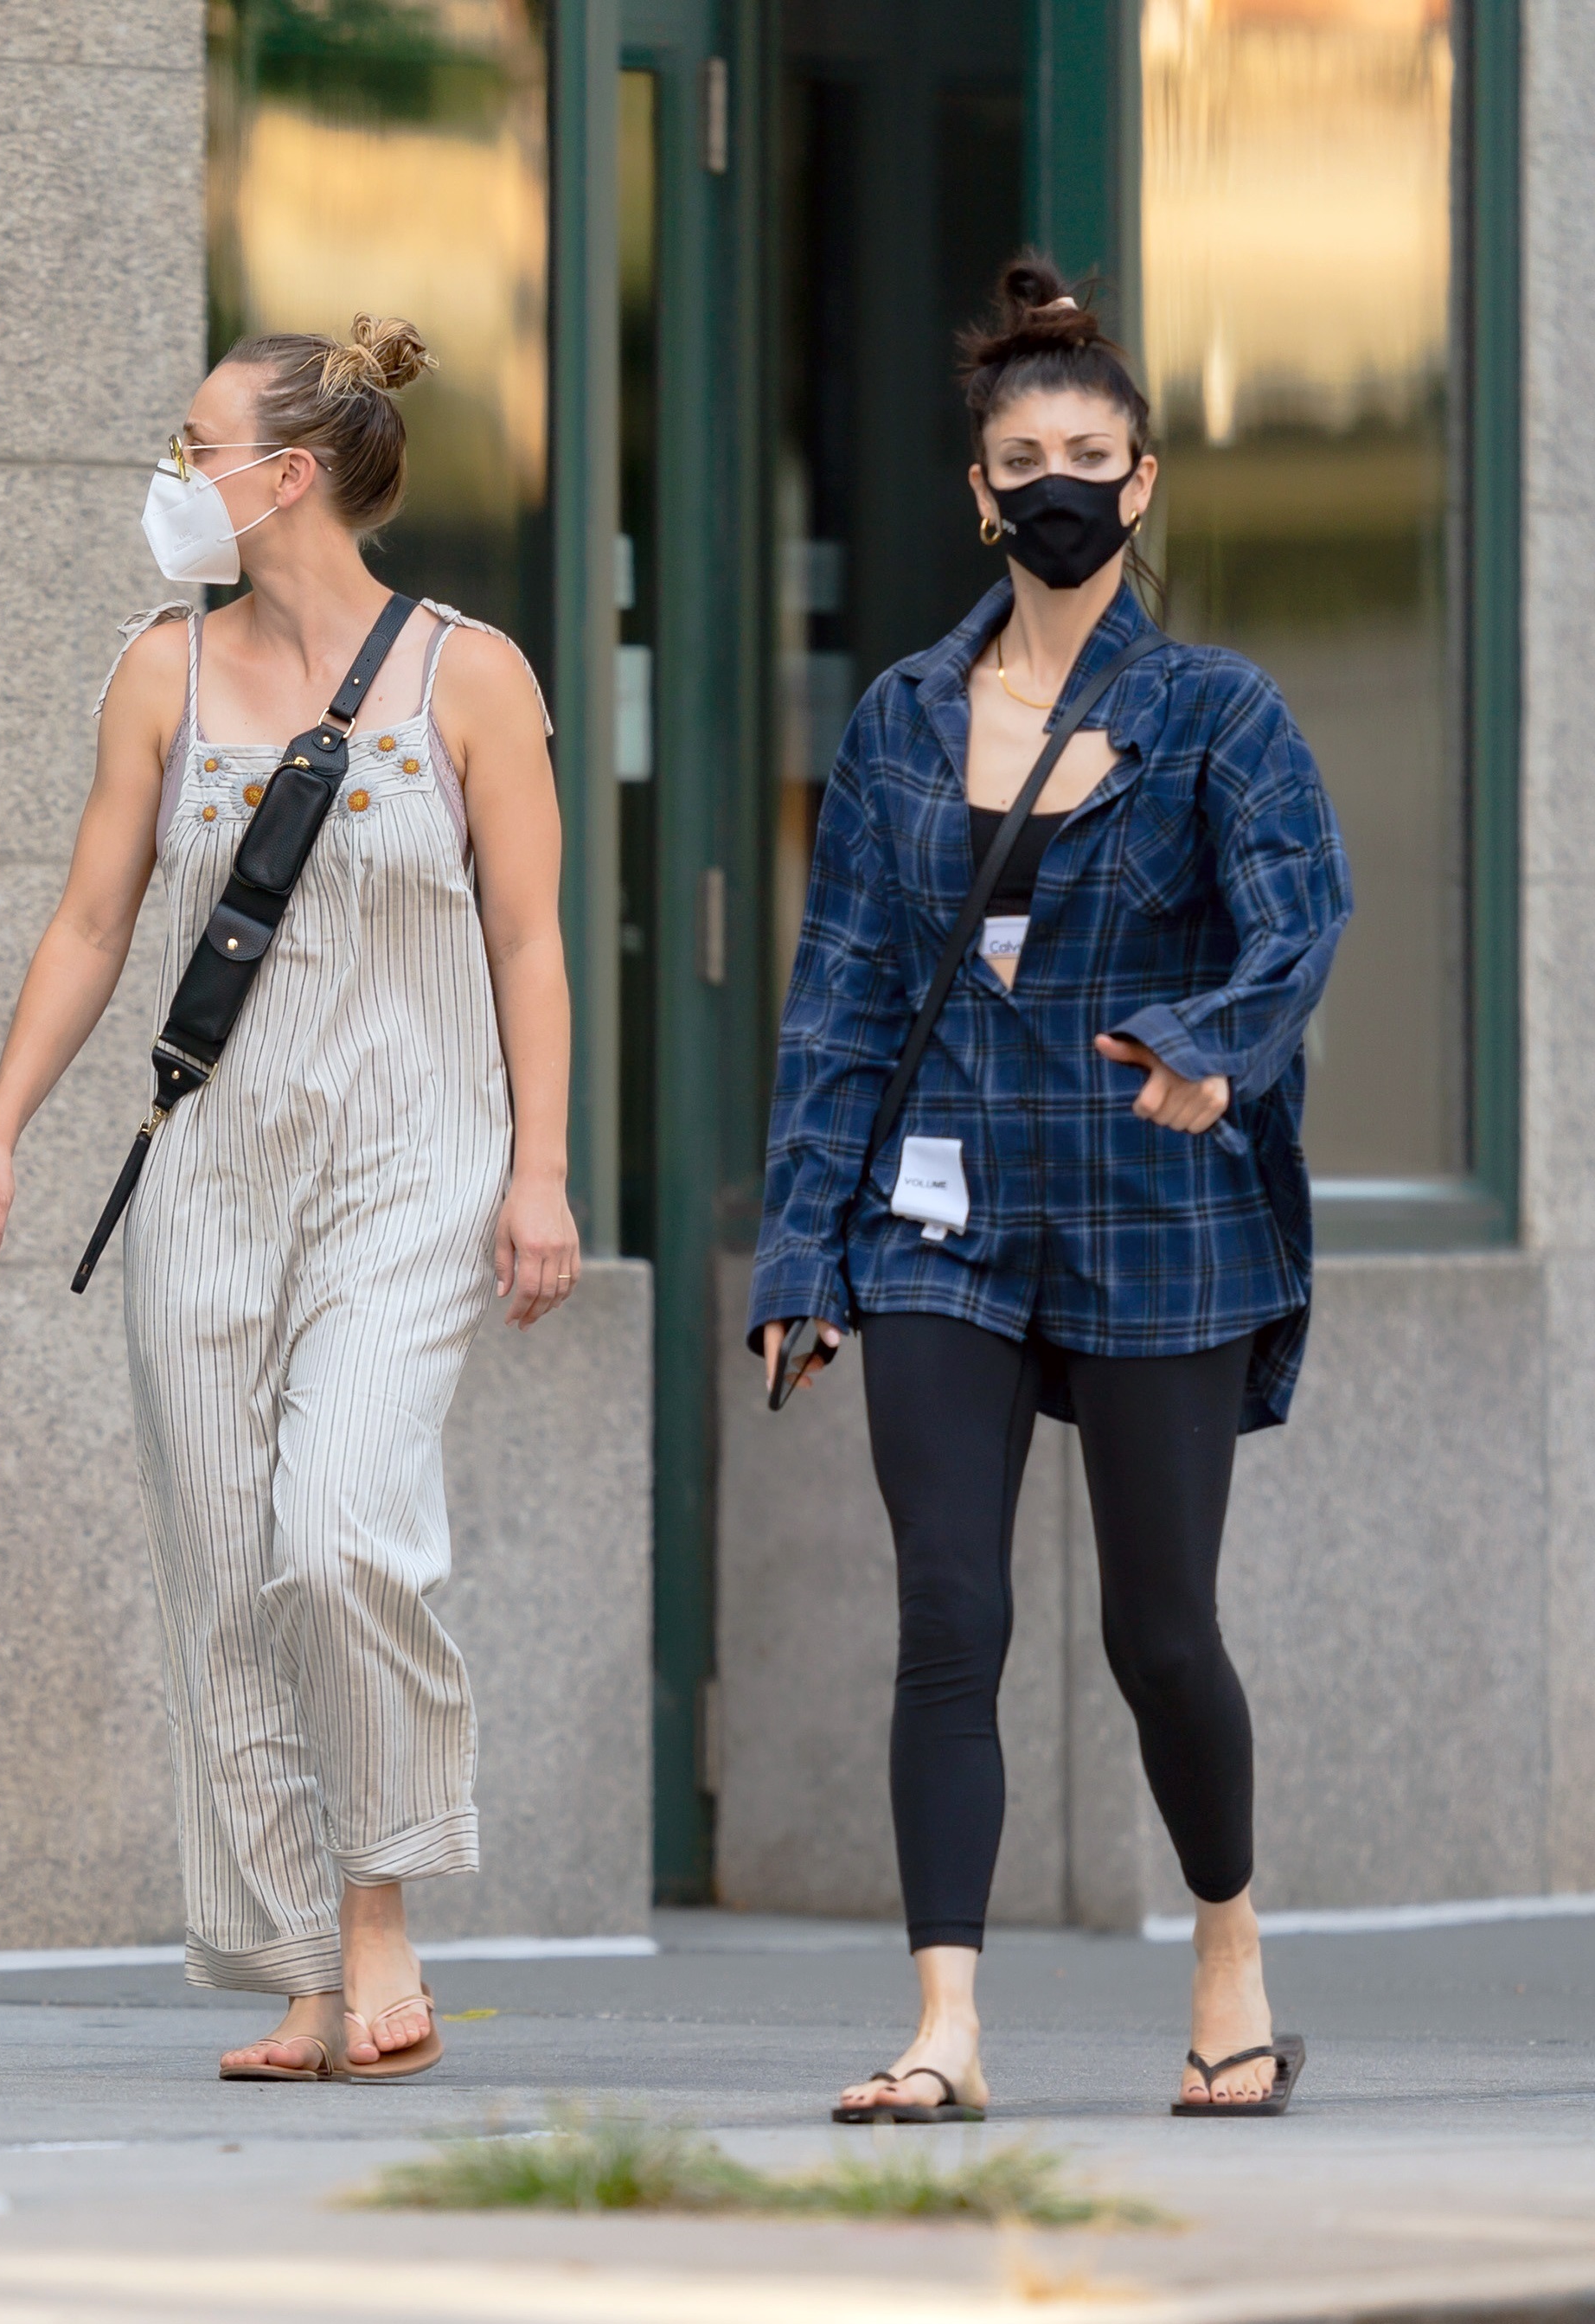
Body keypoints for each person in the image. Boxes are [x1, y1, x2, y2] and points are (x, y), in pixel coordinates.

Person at [0, 314, 578, 2083]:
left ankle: (379, 1911)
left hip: (409, 1164)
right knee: (226, 1577)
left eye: (194, 445)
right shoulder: (160, 672)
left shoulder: (469, 676)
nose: (172, 473)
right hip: (209, 1176)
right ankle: (299, 1965)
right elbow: (92, 923)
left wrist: (538, 1172)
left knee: (341, 1533)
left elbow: (530, 941)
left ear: (287, 476)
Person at [750, 253, 1351, 2116]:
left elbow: (1302, 917)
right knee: (951, 1610)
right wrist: (801, 1249)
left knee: (1159, 1633)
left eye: (1092, 459)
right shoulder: (902, 718)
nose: (1059, 488)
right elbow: (842, 995)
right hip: (945, 1215)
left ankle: (1229, 1951)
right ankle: (945, 2027)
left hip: (1156, 1207)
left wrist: (1209, 1043)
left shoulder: (1216, 710)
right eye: (1025, 462)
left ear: (1143, 481)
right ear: (980, 492)